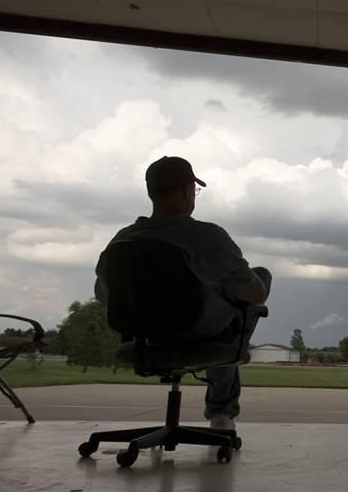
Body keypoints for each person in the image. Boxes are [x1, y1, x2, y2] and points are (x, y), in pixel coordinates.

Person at [94, 156, 271, 430]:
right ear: (189, 190)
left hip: (147, 339)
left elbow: (104, 295)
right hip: (201, 334)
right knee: (259, 278)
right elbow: (256, 295)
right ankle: (221, 412)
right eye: (194, 190)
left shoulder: (122, 240)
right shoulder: (207, 237)